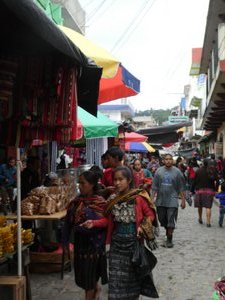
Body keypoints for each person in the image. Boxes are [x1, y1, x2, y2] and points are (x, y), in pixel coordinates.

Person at [105, 166, 159, 300]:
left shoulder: (138, 198)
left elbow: (150, 215)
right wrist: (92, 223)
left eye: (120, 179)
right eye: (115, 180)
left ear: (128, 180)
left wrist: (142, 226)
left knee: (133, 282)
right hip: (116, 246)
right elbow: (107, 221)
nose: (117, 183)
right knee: (116, 281)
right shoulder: (112, 199)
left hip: (133, 245)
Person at [63, 171, 108, 300]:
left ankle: (92, 293)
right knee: (85, 278)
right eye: (79, 182)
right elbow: (67, 224)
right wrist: (65, 242)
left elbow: (107, 222)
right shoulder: (75, 203)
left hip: (95, 247)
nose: (80, 185)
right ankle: (96, 289)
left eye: (83, 183)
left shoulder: (100, 203)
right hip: (80, 245)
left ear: (92, 184)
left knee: (89, 281)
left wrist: (94, 223)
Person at [152, 153, 186, 248]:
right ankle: (168, 231)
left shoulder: (178, 172)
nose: (168, 161)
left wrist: (183, 200)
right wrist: (151, 200)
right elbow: (154, 187)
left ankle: (169, 239)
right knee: (162, 219)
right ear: (163, 161)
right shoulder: (158, 172)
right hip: (161, 200)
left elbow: (181, 188)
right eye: (166, 159)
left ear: (172, 160)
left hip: (173, 199)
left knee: (171, 220)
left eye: (170, 159)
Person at [193, 159, 218, 227]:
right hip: (209, 191)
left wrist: (192, 189)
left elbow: (194, 181)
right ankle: (208, 222)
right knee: (208, 207)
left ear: (203, 163)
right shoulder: (212, 171)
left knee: (200, 206)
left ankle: (200, 218)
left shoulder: (198, 171)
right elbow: (217, 180)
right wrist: (216, 189)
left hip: (199, 191)